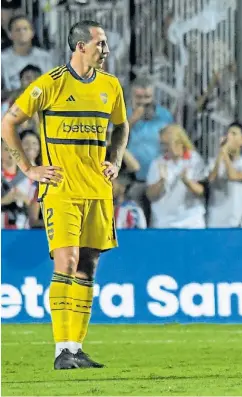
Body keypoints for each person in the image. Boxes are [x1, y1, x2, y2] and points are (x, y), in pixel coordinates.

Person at [1, 20, 130, 370]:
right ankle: (61, 350)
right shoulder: (51, 85)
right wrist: (29, 170)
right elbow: (8, 123)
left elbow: (121, 126)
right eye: (100, 44)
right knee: (67, 262)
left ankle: (76, 347)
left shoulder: (110, 86)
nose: (105, 50)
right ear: (80, 47)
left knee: (88, 266)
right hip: (61, 189)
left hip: (98, 190)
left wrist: (115, 160)